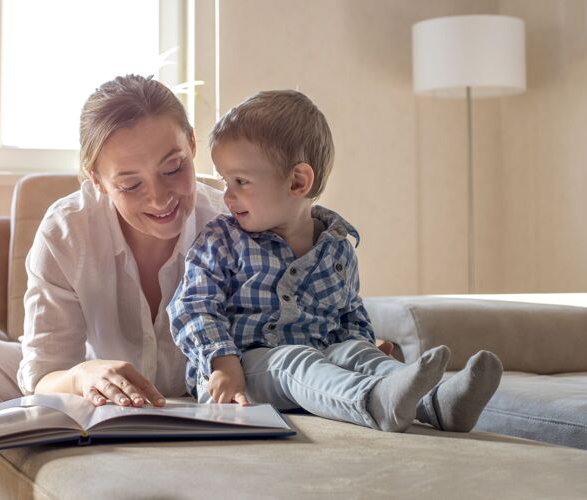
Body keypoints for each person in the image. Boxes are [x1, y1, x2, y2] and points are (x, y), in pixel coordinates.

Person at [0, 74, 226, 499]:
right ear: (97, 180)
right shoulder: (68, 230)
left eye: (174, 168)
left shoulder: (230, 226)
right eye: (130, 183)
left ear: (193, 146)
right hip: (78, 383)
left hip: (189, 394)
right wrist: (81, 374)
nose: (160, 198)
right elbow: (43, 375)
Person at [168, 90, 503, 433]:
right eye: (226, 181)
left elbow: (349, 315)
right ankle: (374, 402)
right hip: (241, 373)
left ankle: (438, 402)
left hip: (322, 360)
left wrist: (365, 345)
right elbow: (193, 306)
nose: (228, 195)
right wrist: (221, 362)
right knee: (294, 361)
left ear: (298, 181)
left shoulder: (337, 248)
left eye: (240, 182)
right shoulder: (222, 240)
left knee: (357, 355)